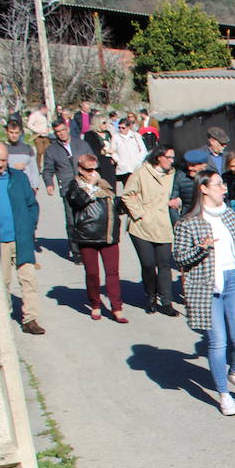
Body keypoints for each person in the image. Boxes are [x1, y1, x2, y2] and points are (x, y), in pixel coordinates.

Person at [172, 169, 235, 416]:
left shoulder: (228, 215)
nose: (224, 188)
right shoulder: (187, 222)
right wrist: (201, 249)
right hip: (206, 287)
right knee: (218, 343)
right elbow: (180, 258)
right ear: (203, 188)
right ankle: (223, 394)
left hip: (233, 283)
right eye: (218, 184)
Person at [0, 142, 44, 335]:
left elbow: (32, 205)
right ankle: (3, 319)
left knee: (28, 280)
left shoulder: (18, 178)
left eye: (4, 160)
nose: (0, 164)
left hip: (21, 238)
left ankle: (30, 319)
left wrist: (29, 226)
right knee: (2, 282)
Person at [64, 153, 128, 322]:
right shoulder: (75, 185)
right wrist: (91, 186)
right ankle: (95, 304)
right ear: (80, 169)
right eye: (88, 170)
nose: (93, 173)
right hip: (87, 236)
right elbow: (77, 202)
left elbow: (114, 205)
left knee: (112, 273)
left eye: (95, 169)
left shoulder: (104, 185)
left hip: (108, 235)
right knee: (92, 273)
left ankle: (117, 307)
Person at [121, 144, 181, 316]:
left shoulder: (173, 175)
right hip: (141, 227)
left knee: (164, 264)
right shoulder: (142, 172)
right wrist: (140, 214)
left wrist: (178, 203)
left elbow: (179, 194)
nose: (171, 161)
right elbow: (127, 194)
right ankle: (151, 297)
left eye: (172, 158)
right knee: (148, 263)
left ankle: (166, 301)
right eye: (168, 157)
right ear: (158, 157)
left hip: (163, 225)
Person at [42, 118, 91, 261]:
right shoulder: (52, 150)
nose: (61, 134)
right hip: (68, 189)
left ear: (67, 129)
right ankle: (76, 252)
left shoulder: (81, 144)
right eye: (57, 132)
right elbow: (48, 170)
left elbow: (94, 160)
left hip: (85, 186)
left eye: (63, 130)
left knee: (88, 218)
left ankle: (89, 247)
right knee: (71, 221)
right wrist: (49, 184)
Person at [4, 116, 41, 191]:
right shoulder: (2, 148)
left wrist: (35, 185)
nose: (14, 135)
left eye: (16, 133)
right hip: (9, 186)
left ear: (20, 132)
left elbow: (33, 168)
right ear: (6, 131)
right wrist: (12, 167)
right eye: (11, 132)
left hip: (27, 187)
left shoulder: (27, 148)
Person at [83, 114, 118, 186]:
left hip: (110, 161)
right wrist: (104, 151)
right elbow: (90, 150)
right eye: (104, 123)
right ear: (97, 123)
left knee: (112, 185)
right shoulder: (90, 135)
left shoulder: (108, 133)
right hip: (99, 162)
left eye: (106, 122)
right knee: (102, 185)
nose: (106, 125)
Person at [112, 116, 147, 186]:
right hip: (124, 168)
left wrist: (139, 161)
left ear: (128, 127)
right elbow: (113, 151)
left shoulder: (136, 136)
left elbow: (143, 150)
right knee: (127, 188)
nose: (121, 129)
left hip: (136, 166)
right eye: (119, 128)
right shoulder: (115, 137)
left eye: (123, 128)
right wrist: (118, 161)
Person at [25, 104, 52, 168]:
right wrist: (38, 130)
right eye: (46, 110)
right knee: (40, 152)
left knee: (47, 152)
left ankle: (47, 167)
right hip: (38, 136)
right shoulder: (34, 115)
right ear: (43, 109)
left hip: (46, 136)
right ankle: (38, 167)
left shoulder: (46, 116)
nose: (47, 111)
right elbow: (29, 125)